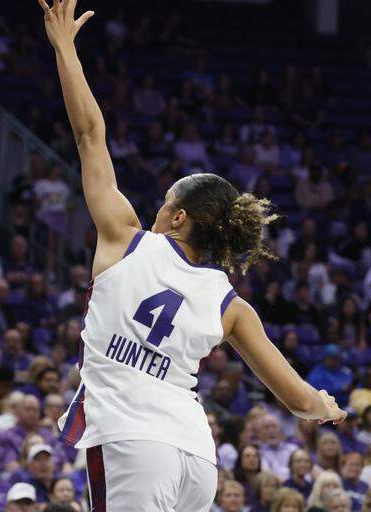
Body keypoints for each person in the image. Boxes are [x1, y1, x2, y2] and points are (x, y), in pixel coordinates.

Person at [36, 2, 347, 510]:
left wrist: (65, 49)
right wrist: (325, 405)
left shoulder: (126, 239)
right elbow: (298, 400)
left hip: (131, 440)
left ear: (178, 217)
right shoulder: (231, 304)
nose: (156, 212)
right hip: (196, 458)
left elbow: (89, 134)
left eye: (164, 204)